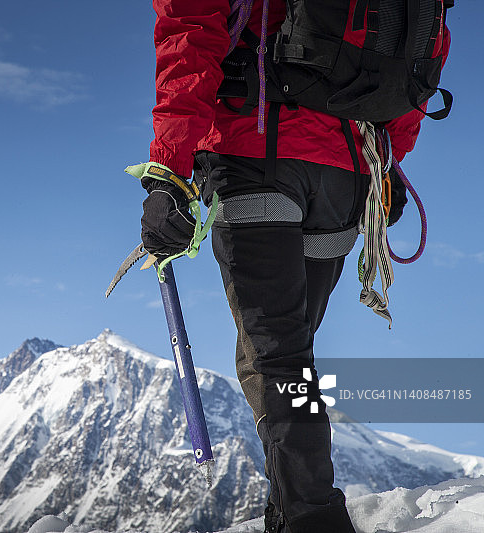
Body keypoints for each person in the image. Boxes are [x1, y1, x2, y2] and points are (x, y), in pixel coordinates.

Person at [136, 1, 451, 532]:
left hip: (255, 155)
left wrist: (169, 168)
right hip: (347, 176)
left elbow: (190, 36)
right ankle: (292, 510)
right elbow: (418, 55)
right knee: (289, 354)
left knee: (277, 358)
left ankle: (312, 518)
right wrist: (389, 160)